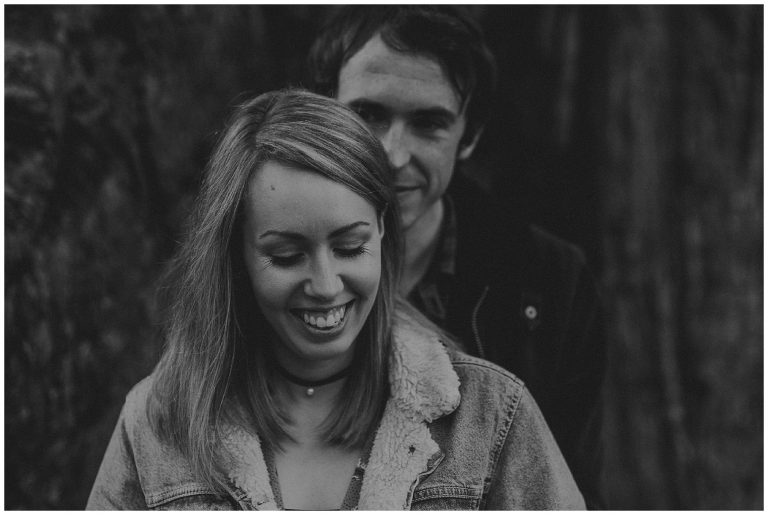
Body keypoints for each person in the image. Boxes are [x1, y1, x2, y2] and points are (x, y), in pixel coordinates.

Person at [86, 89, 584, 510]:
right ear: (235, 253)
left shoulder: (492, 415)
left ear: (383, 231)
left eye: (350, 247)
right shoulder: (157, 420)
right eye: (286, 256)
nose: (325, 285)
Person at [307, 5, 606, 507]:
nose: (393, 155)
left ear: (469, 137)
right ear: (322, 111)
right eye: (368, 115)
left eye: (428, 124)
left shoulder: (550, 284)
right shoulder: (256, 263)